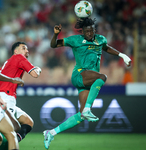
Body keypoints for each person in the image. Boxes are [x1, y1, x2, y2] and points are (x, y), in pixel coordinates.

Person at [43, 18, 131, 149]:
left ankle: (51, 133)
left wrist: (122, 55)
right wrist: (55, 34)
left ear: (95, 30)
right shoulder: (75, 40)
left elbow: (106, 48)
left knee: (81, 116)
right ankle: (88, 108)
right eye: (87, 31)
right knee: (102, 77)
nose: (90, 33)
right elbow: (53, 45)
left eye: (92, 31)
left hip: (89, 80)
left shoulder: (100, 39)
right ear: (82, 32)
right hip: (80, 74)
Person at [0, 41, 41, 143]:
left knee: (28, 122)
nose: (27, 50)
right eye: (23, 48)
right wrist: (38, 69)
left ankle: (11, 143)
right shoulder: (19, 57)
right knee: (8, 129)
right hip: (6, 97)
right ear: (16, 51)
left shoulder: (6, 65)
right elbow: (35, 74)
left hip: (3, 97)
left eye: (27, 49)